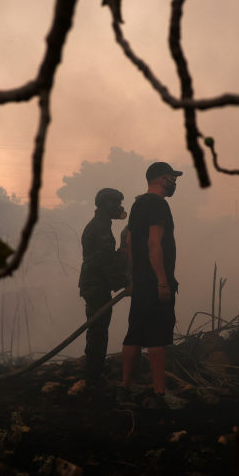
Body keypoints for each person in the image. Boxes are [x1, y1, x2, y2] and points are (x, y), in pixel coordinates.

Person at [120, 162, 186, 410]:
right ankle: (160, 394)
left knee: (134, 333)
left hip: (140, 281)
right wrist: (161, 281)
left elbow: (128, 244)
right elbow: (154, 244)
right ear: (161, 179)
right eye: (172, 177)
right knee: (157, 336)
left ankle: (124, 389)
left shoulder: (138, 204)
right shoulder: (158, 205)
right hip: (155, 281)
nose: (174, 182)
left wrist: (134, 279)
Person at [78, 187, 129, 383]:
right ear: (106, 204)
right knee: (98, 330)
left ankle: (95, 369)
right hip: (96, 285)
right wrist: (124, 282)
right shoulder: (100, 228)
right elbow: (104, 261)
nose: (119, 207)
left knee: (98, 328)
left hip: (94, 284)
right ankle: (93, 375)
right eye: (116, 203)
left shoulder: (101, 224)